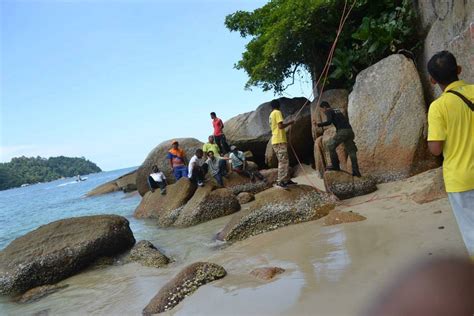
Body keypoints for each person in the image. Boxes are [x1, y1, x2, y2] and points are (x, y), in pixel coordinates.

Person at [427, 50, 474, 257]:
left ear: (432, 80)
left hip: (461, 180)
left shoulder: (438, 107)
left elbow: (435, 149)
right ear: (459, 70)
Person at [317, 101, 362, 177]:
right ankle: (356, 172)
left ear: (324, 107)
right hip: (350, 131)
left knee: (330, 145)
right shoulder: (336, 110)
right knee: (351, 151)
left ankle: (335, 166)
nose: (323, 111)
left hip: (342, 132)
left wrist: (318, 124)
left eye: (322, 110)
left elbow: (329, 122)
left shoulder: (329, 111)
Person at [269, 99, 296, 189]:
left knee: (285, 160)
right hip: (279, 140)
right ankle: (280, 181)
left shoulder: (271, 114)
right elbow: (280, 126)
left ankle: (286, 179)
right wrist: (290, 123)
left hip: (276, 140)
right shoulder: (277, 112)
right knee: (283, 161)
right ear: (278, 105)